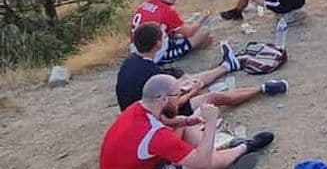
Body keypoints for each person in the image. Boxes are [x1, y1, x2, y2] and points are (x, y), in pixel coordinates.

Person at [100, 74, 276, 169]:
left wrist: (186, 120)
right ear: (162, 99)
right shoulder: (155, 135)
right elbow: (202, 162)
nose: (179, 99)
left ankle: (219, 155)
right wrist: (210, 123)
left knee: (184, 128)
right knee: (200, 167)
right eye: (177, 95)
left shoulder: (139, 107)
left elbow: (163, 119)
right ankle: (244, 147)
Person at [116, 23, 288, 113]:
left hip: (140, 110)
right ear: (158, 44)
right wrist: (193, 91)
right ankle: (263, 88)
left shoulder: (132, 61)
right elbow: (171, 106)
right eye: (165, 38)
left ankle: (227, 65)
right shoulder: (150, 74)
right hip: (154, 117)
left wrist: (187, 84)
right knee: (213, 96)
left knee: (188, 79)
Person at [130, 0, 213, 64]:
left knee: (178, 33)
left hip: (136, 47)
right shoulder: (167, 10)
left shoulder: (145, 4)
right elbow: (189, 32)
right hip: (153, 54)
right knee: (204, 32)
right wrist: (202, 17)